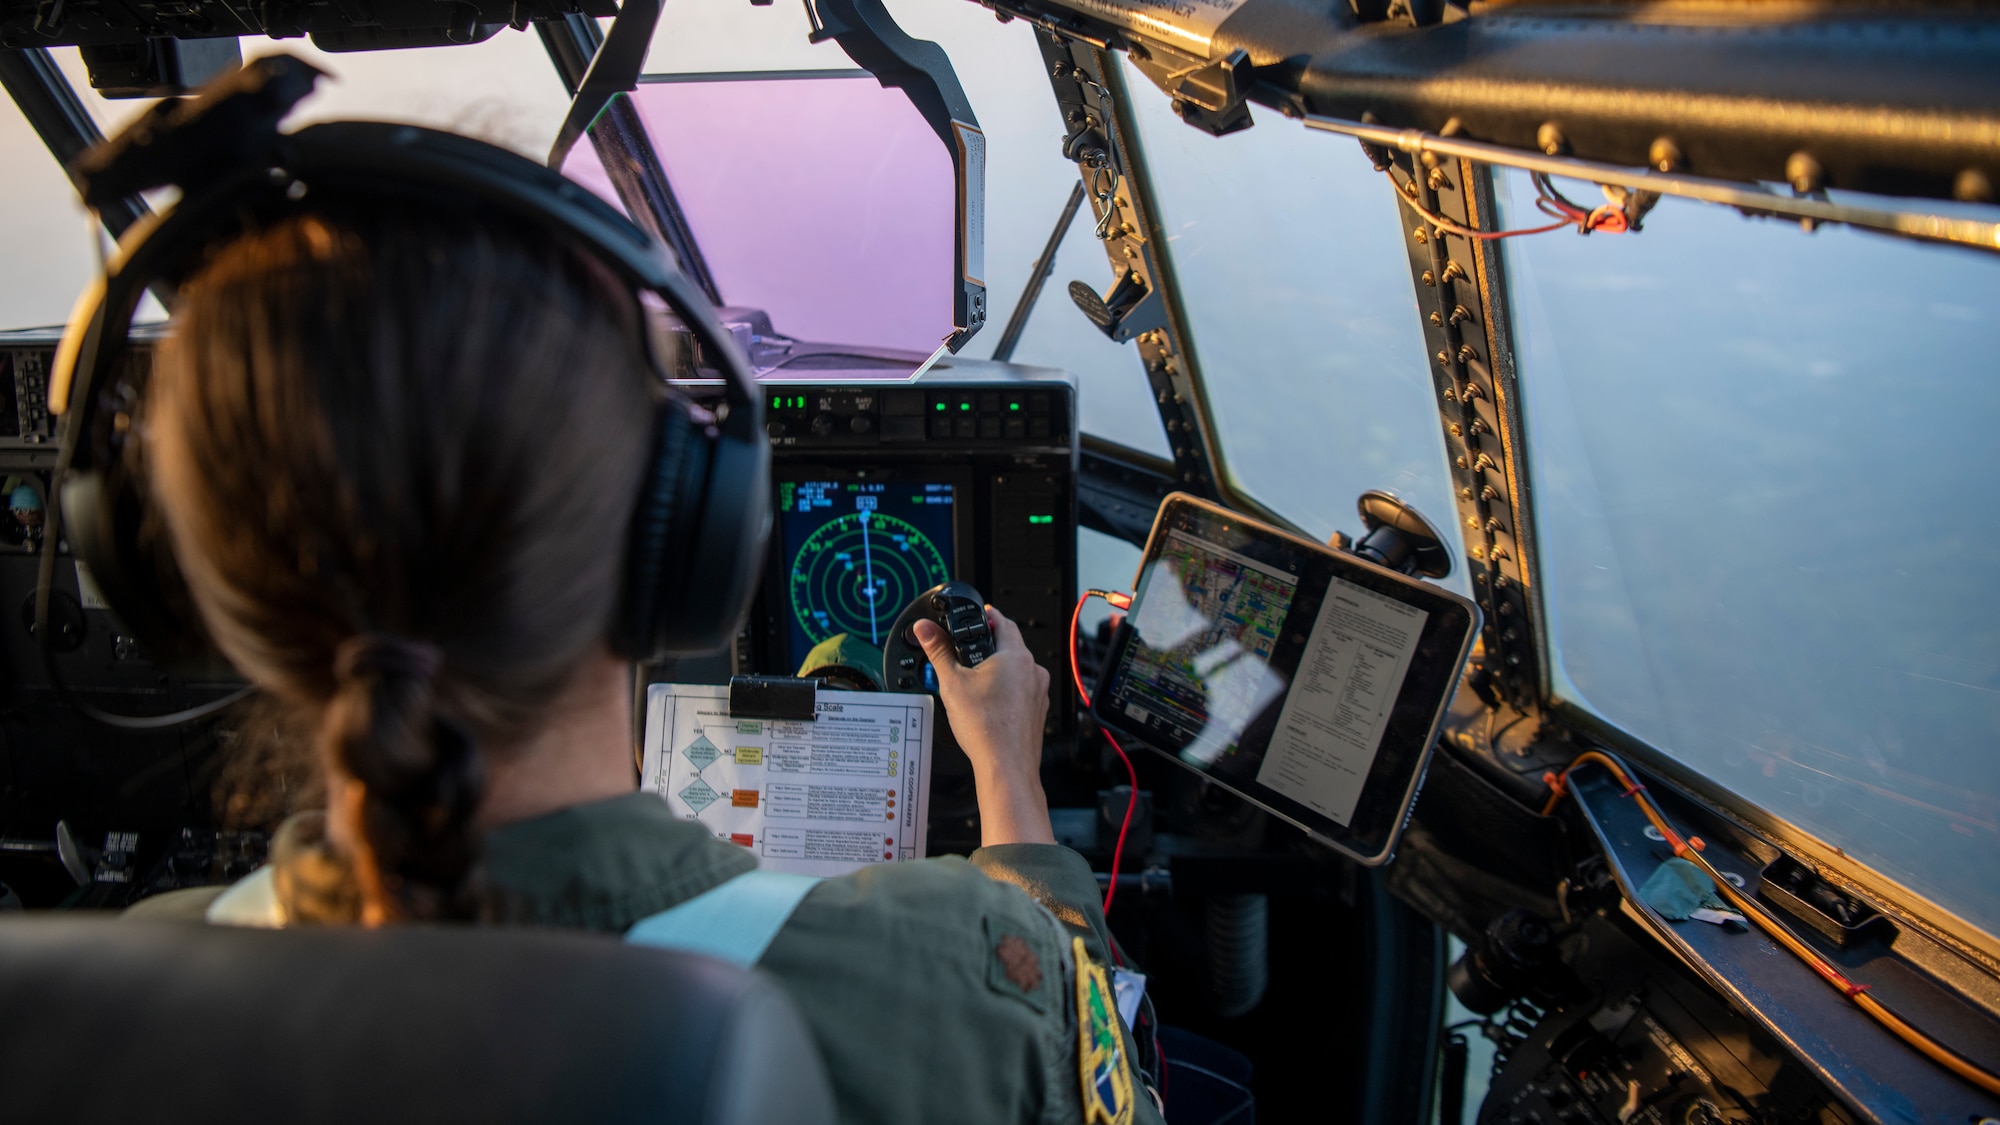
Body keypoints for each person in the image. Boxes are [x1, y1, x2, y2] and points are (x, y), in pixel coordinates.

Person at [120, 183, 1163, 1125]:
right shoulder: (948, 979)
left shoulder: (117, 995)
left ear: (210, 594)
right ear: (675, 550)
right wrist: (1007, 779)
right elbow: (1092, 1064)